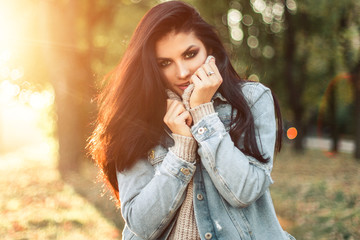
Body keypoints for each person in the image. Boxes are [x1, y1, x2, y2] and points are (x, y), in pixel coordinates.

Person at [88, 1, 296, 239]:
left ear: (210, 51)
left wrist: (203, 113)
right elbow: (140, 224)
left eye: (190, 54)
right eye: (164, 63)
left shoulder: (253, 100)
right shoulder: (135, 118)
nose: (182, 71)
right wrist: (182, 151)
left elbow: (244, 191)